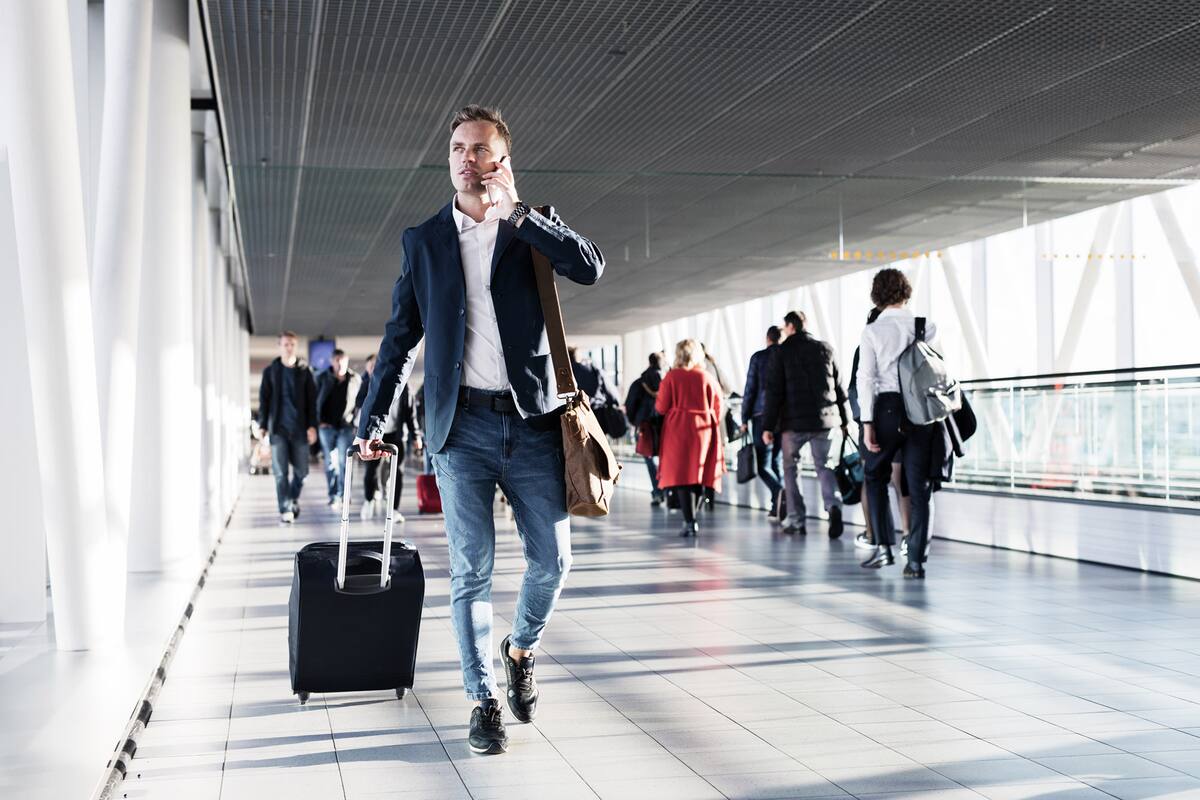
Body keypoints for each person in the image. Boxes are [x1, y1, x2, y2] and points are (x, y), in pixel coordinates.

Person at [353, 105, 604, 755]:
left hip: (534, 424)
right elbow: (399, 340)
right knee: (472, 571)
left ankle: (520, 649)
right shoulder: (424, 240)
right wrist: (374, 419)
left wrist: (522, 215)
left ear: (503, 160)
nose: (468, 158)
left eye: (482, 148)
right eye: (459, 148)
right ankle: (482, 698)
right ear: (450, 160)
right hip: (460, 428)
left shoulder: (531, 226)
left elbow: (589, 267)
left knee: (554, 562)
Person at [856, 268, 939, 579]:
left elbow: (866, 379)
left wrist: (867, 422)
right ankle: (915, 560)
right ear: (906, 292)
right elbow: (938, 369)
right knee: (919, 486)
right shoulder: (925, 326)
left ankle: (883, 548)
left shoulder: (872, 331)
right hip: (921, 411)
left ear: (876, 296)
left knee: (874, 475)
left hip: (887, 409)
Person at [762, 310, 849, 537]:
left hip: (793, 423)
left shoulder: (781, 352)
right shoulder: (825, 349)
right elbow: (839, 387)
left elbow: (774, 392)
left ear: (790, 326)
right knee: (824, 466)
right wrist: (845, 420)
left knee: (791, 469)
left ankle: (797, 520)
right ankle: (834, 507)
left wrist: (768, 426)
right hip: (824, 420)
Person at [656, 339, 725, 537]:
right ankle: (692, 518)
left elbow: (661, 407)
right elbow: (719, 407)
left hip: (678, 429)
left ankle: (689, 521)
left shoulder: (671, 377)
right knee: (698, 472)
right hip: (704, 430)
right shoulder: (707, 377)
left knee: (682, 475)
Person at [256, 331, 317, 524]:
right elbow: (264, 400)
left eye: (292, 344)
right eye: (285, 344)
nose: (289, 347)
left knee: (302, 472)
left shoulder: (305, 371)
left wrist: (312, 426)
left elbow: (312, 401)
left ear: (295, 346)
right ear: (279, 346)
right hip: (278, 430)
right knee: (280, 473)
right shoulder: (270, 371)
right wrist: (263, 425)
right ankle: (285, 508)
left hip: (300, 429)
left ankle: (291, 499)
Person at [353, 355, 422, 521]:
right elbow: (359, 404)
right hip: (375, 434)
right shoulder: (369, 385)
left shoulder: (402, 384)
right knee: (371, 469)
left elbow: (410, 413)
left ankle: (394, 509)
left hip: (396, 433)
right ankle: (369, 500)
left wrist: (416, 435)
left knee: (397, 472)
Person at [740, 326, 785, 519]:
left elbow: (750, 389)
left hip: (761, 416)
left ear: (768, 338)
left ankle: (780, 492)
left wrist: (744, 418)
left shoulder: (758, 358)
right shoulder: (786, 356)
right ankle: (779, 505)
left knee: (763, 465)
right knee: (776, 462)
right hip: (784, 418)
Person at [315, 349, 362, 507]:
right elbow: (314, 400)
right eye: (337, 360)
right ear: (332, 361)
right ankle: (334, 495)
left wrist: (356, 422)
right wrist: (318, 421)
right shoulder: (322, 377)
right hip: (326, 426)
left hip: (346, 426)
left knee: (344, 461)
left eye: (342, 360)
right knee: (330, 462)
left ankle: (345, 494)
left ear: (347, 361)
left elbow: (360, 402)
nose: (340, 363)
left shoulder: (355, 379)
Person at [625, 351, 666, 505]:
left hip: (645, 425)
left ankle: (657, 491)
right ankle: (668, 489)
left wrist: (635, 421)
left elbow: (630, 404)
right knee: (665, 458)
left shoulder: (640, 382)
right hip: (664, 424)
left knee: (649, 459)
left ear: (649, 362)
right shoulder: (666, 381)